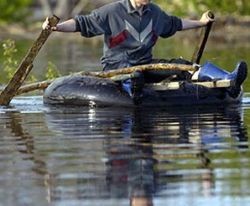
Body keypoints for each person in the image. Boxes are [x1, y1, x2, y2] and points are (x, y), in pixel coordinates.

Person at [42, 0, 247, 102]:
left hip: (148, 65)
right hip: (117, 67)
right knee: (135, 74)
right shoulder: (112, 11)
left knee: (185, 65)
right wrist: (56, 27)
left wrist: (201, 23)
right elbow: (82, 23)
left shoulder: (155, 13)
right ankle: (134, 92)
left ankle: (229, 81)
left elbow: (175, 24)